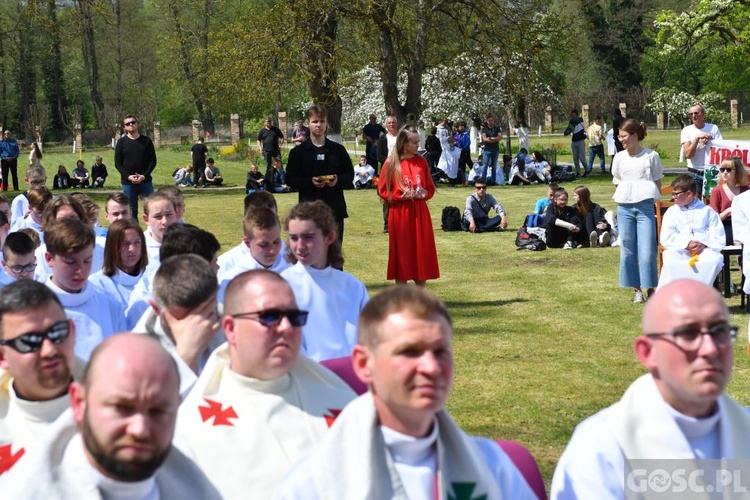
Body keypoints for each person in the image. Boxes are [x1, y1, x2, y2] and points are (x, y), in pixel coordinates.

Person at [278, 285, 536, 499]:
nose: (431, 367)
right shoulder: (315, 482)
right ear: (363, 364)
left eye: (440, 352)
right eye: (410, 352)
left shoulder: (491, 466)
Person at [551, 280, 746, 500]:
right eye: (688, 334)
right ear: (648, 352)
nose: (710, 349)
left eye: (719, 331)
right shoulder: (601, 448)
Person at [175, 270, 356, 497]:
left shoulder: (340, 399)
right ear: (230, 329)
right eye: (269, 317)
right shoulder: (190, 427)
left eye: (294, 317)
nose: (286, 328)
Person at [0, 333, 221, 498]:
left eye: (158, 411)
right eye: (121, 407)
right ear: (78, 403)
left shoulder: (199, 491)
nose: (140, 428)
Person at [0, 280, 79, 476]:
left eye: (57, 332)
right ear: (3, 356)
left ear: (73, 331)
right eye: (30, 341)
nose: (49, 350)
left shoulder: (119, 398)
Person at [281, 201, 368, 361]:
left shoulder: (353, 286)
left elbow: (370, 337)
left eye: (308, 237)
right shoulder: (282, 286)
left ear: (329, 237)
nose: (300, 246)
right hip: (307, 378)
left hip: (350, 378)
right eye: (294, 238)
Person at [132, 255, 223, 396]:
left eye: (205, 314)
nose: (196, 328)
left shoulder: (232, 324)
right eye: (184, 318)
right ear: (156, 309)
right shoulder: (135, 355)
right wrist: (186, 358)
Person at [43, 218, 126, 360]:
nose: (81, 270)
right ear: (49, 258)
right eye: (71, 262)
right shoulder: (33, 309)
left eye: (87, 260)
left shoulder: (109, 306)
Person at [377, 125, 439, 286]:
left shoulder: (421, 161)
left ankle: (420, 299)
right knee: (403, 255)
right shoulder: (391, 163)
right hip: (400, 214)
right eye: (414, 143)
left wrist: (424, 194)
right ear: (403, 143)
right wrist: (399, 196)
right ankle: (402, 299)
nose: (417, 146)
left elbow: (430, 187)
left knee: (421, 253)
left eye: (418, 142)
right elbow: (383, 190)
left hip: (419, 213)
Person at [286, 104, 354, 242]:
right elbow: (290, 179)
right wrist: (309, 181)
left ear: (326, 123)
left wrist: (337, 180)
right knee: (310, 254)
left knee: (334, 255)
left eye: (322, 121)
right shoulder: (298, 153)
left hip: (334, 208)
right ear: (308, 123)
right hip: (308, 210)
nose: (319, 125)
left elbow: (350, 175)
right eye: (315, 121)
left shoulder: (338, 150)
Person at [612, 119, 663, 303]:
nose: (621, 139)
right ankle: (636, 290)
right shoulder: (619, 158)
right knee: (627, 249)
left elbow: (657, 182)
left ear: (635, 136)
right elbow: (617, 181)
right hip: (624, 207)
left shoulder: (651, 156)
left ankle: (651, 289)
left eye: (624, 136)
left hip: (645, 207)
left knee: (648, 250)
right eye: (619, 136)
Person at [657, 174, 724, 289]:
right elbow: (667, 236)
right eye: (673, 194)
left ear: (689, 194)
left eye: (676, 194)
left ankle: (700, 296)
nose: (673, 197)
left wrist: (702, 243)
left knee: (714, 261)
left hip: (704, 250)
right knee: (672, 262)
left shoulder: (707, 211)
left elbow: (717, 234)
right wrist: (687, 243)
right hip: (679, 249)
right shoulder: (672, 212)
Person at [216, 207, 290, 301]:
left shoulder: (294, 269)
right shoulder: (231, 281)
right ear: (247, 243)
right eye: (263, 245)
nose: (272, 250)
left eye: (276, 242)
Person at [88, 218, 148, 309]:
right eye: (125, 244)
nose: (132, 249)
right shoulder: (97, 284)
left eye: (137, 242)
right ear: (112, 247)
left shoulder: (151, 277)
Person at [114, 115, 157, 220]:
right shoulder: (121, 142)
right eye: (128, 124)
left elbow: (153, 161)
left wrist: (144, 176)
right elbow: (118, 163)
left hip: (145, 182)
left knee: (153, 210)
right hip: (128, 184)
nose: (131, 125)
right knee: (131, 212)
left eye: (133, 122)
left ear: (137, 124)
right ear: (124, 127)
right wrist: (128, 177)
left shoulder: (146, 141)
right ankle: (134, 234)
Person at [709, 156, 748, 245]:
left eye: (729, 170)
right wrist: (728, 210)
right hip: (725, 224)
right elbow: (714, 219)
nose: (725, 172)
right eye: (722, 170)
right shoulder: (717, 191)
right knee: (731, 238)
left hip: (744, 223)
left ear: (737, 172)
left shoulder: (746, 190)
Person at [681, 103, 722, 171]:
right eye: (691, 114)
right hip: (694, 171)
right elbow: (688, 155)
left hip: (711, 170)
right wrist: (697, 138)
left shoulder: (713, 128)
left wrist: (710, 140)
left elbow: (721, 149)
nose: (693, 116)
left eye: (696, 113)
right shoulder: (686, 130)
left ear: (703, 114)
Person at [142, 192, 179, 264]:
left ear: (176, 214)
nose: (164, 221)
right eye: (158, 216)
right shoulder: (139, 248)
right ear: (146, 219)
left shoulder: (188, 245)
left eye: (169, 214)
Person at [377, 115, 400, 233]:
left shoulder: (402, 137)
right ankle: (387, 224)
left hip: (401, 171)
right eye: (389, 123)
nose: (392, 124)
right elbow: (379, 155)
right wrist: (389, 162)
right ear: (386, 125)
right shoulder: (382, 139)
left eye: (393, 122)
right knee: (387, 198)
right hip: (387, 172)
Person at [564, 109, 586, 177]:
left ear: (576, 114)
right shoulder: (572, 123)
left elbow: (574, 120)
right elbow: (567, 131)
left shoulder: (580, 119)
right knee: (575, 158)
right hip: (574, 141)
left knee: (582, 157)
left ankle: (587, 170)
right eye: (571, 115)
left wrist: (571, 123)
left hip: (580, 141)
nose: (572, 117)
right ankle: (578, 172)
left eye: (573, 115)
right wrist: (568, 131)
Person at [480, 114, 502, 184]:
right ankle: (483, 181)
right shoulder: (484, 129)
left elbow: (499, 138)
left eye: (492, 120)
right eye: (489, 121)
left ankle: (493, 181)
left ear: (494, 121)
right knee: (485, 165)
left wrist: (490, 138)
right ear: (487, 121)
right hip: (487, 149)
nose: (490, 122)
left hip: (495, 149)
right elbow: (484, 139)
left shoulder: (497, 128)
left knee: (494, 166)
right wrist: (494, 139)